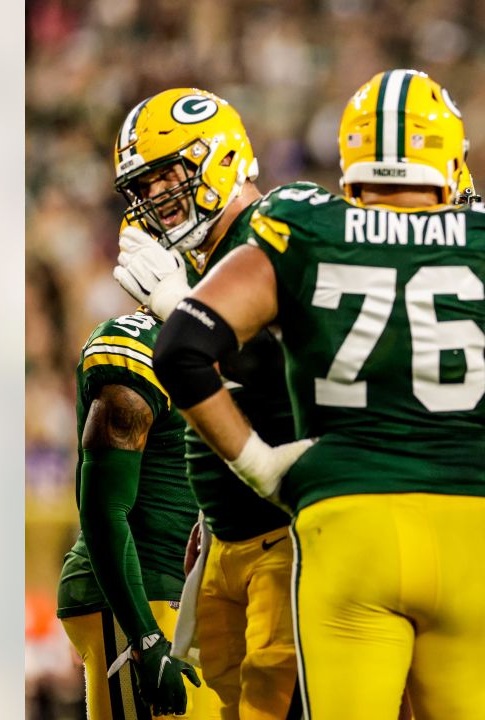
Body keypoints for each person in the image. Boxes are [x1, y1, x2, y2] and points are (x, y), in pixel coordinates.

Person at [150, 68, 485, 720]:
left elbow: (181, 349)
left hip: (348, 531)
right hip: (470, 537)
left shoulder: (305, 228)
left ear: (350, 157)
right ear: (449, 158)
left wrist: (259, 466)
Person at [110, 87, 302, 719]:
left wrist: (178, 311)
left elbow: (297, 368)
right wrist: (205, 507)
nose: (159, 198)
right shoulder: (208, 257)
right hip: (226, 532)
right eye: (147, 185)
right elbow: (225, 396)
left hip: (290, 533)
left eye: (169, 174)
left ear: (218, 155)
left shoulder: (278, 228)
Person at [54, 305, 211, 719]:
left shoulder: (214, 341)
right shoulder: (141, 345)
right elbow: (104, 508)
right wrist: (145, 638)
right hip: (144, 593)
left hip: (196, 594)